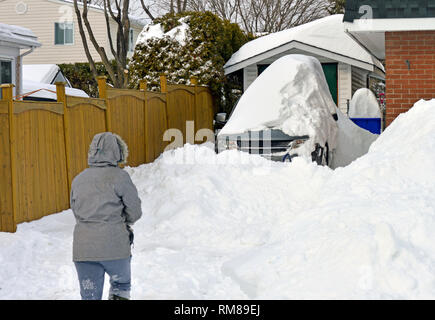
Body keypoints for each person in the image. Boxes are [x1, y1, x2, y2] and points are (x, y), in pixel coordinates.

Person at [70, 132, 142, 300]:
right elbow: (135, 211)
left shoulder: (78, 180)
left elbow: (76, 210)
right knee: (120, 287)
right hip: (115, 247)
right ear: (117, 151)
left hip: (84, 250)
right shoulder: (120, 177)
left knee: (89, 295)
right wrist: (124, 221)